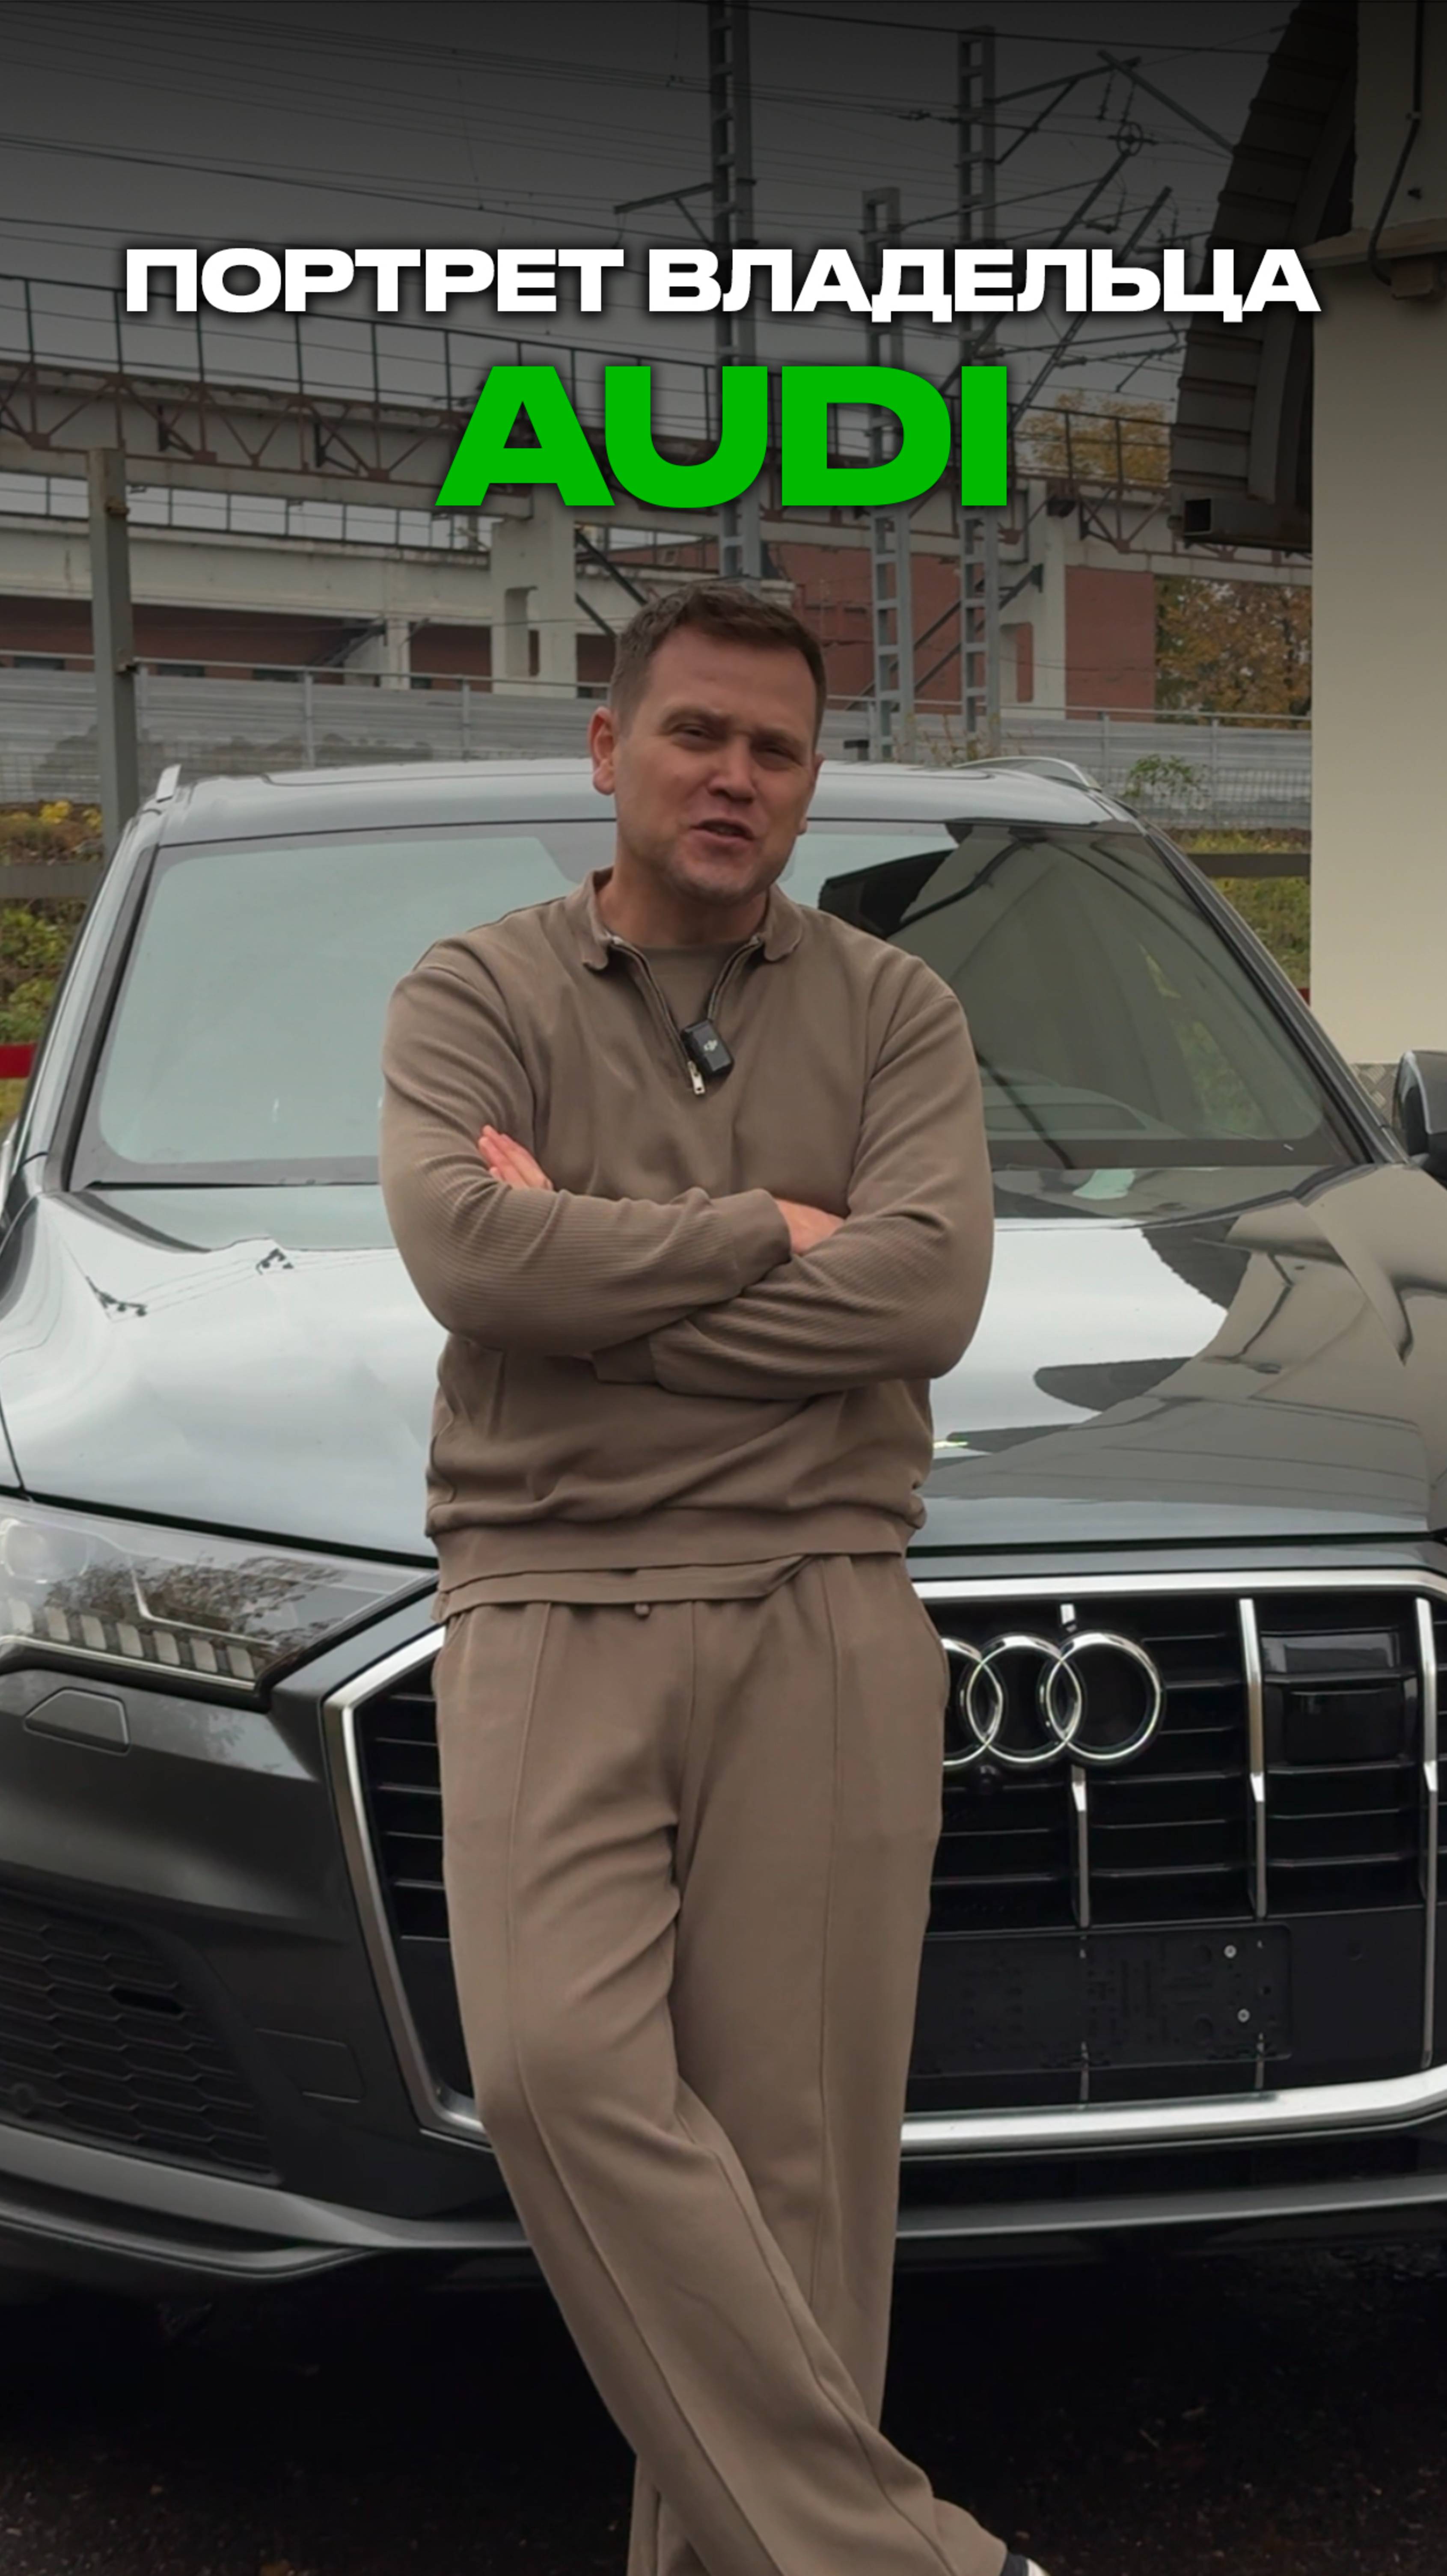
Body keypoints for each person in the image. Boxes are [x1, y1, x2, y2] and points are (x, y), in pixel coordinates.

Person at [380, 582, 1046, 2576]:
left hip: (823, 1595)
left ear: (812, 780)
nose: (735, 775)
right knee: (554, 2074)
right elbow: (471, 1258)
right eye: (696, 733)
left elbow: (921, 1295)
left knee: (796, 2187)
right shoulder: (474, 990)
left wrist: (596, 1278)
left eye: (775, 747)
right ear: (610, 748)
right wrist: (772, 1224)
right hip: (546, 1587)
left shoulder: (897, 1009)